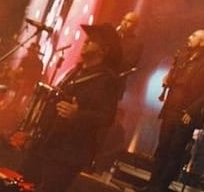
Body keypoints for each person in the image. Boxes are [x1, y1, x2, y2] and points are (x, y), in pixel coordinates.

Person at [21, 23, 122, 192]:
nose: (86, 41)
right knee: (22, 183)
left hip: (69, 151)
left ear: (103, 50)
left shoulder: (107, 80)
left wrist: (78, 115)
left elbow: (107, 117)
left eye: (93, 40)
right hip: (46, 142)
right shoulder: (75, 71)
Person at [146, 29, 204, 192]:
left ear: (202, 43)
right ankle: (152, 184)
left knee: (174, 152)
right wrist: (168, 79)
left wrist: (192, 111)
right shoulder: (183, 59)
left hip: (185, 114)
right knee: (162, 148)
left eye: (194, 36)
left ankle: (161, 187)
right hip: (170, 109)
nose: (189, 37)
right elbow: (174, 80)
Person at [115, 10, 144, 96]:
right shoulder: (113, 35)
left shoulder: (136, 44)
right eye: (124, 19)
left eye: (129, 21)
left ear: (135, 26)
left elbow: (130, 64)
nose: (124, 23)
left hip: (115, 83)